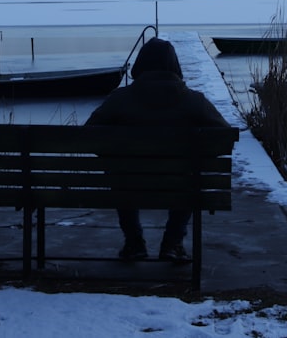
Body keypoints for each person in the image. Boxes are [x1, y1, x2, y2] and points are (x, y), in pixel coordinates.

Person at [84, 37, 231, 262]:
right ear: (174, 65)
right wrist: (198, 158)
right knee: (189, 178)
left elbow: (88, 135)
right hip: (178, 184)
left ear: (140, 64)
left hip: (129, 183)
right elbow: (223, 138)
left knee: (121, 176)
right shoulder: (194, 101)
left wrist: (113, 157)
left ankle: (134, 244)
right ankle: (172, 244)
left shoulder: (119, 99)